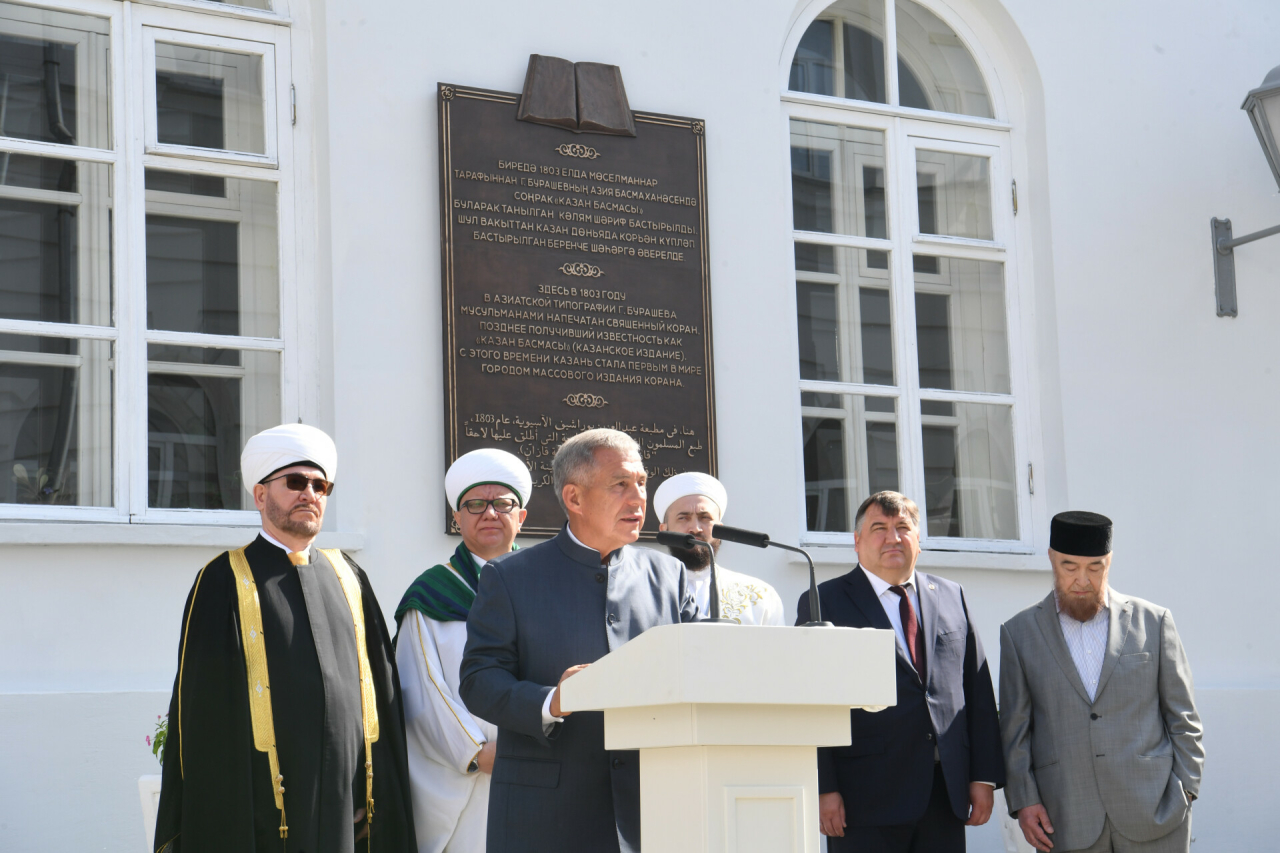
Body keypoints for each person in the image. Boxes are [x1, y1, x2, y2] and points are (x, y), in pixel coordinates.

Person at [154, 423, 415, 853]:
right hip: (264, 823)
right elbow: (205, 721)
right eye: (295, 482)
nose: (309, 494)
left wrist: (375, 794)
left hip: (347, 814)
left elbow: (381, 702)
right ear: (260, 495)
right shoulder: (224, 580)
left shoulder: (349, 577)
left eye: (320, 486)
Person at [459, 428, 698, 853]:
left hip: (653, 810)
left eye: (642, 483)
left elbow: (700, 668)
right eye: (620, 484)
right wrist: (553, 700)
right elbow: (479, 681)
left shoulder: (669, 576)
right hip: (546, 816)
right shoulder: (510, 577)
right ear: (574, 498)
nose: (638, 498)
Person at [795, 490, 1003, 853]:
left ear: (918, 540)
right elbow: (811, 701)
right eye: (879, 528)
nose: (893, 538)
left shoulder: (952, 595)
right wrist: (823, 786)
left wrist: (983, 776)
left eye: (903, 528)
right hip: (864, 797)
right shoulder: (824, 601)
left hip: (944, 792)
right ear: (857, 542)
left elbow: (977, 690)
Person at [999, 511, 1203, 853]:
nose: (1082, 580)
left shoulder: (1154, 622)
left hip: (1155, 813)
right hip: (1065, 817)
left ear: (1109, 561)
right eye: (1069, 567)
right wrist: (1024, 800)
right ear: (1051, 558)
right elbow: (1014, 731)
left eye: (1095, 567)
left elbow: (1184, 717)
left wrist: (1186, 788)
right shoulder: (1018, 633)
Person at [394, 449, 531, 853]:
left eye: (502, 503)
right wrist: (477, 753)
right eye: (475, 504)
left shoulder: (546, 589)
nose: (489, 513)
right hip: (467, 778)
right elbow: (423, 690)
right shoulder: (432, 594)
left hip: (541, 770)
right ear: (457, 517)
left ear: (521, 516)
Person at [653, 471, 784, 625]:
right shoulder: (647, 592)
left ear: (720, 529)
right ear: (664, 530)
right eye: (683, 518)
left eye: (705, 518)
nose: (695, 528)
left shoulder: (760, 596)